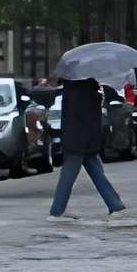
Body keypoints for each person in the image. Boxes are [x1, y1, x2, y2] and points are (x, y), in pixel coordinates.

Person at [48, 75, 122, 218]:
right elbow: (87, 116)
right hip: (82, 139)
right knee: (73, 175)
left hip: (76, 138)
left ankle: (115, 204)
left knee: (82, 173)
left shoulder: (73, 88)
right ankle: (57, 210)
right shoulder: (86, 89)